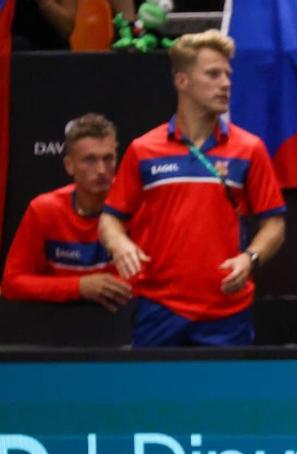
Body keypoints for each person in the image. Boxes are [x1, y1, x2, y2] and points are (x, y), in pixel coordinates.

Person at [99, 29, 286, 347]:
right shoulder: (144, 150)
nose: (225, 83)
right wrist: (119, 244)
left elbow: (275, 224)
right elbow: (110, 219)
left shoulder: (249, 149)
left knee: (225, 398)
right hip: (158, 310)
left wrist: (249, 258)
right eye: (213, 74)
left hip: (227, 312)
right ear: (182, 81)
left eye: (228, 74)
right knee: (153, 397)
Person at [3, 114, 131, 312]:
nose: (101, 169)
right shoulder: (44, 210)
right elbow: (12, 283)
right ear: (69, 166)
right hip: (58, 324)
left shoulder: (137, 205)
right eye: (89, 160)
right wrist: (79, 286)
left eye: (108, 158)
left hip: (123, 322)